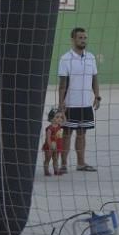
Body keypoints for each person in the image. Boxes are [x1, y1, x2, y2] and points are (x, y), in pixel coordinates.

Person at [58, 27, 100, 172]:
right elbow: (62, 85)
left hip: (86, 104)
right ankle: (63, 164)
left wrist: (97, 96)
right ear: (73, 39)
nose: (83, 40)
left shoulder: (91, 57)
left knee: (82, 134)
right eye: (80, 38)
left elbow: (94, 78)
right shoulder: (65, 59)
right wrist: (61, 104)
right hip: (70, 105)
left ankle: (81, 163)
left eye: (85, 38)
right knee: (67, 134)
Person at [43, 108, 66, 176]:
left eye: (60, 117)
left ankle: (56, 170)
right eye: (57, 117)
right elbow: (48, 139)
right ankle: (46, 171)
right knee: (48, 159)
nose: (60, 119)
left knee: (56, 159)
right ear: (51, 118)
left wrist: (63, 113)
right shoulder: (49, 128)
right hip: (50, 147)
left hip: (57, 146)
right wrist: (50, 146)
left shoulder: (59, 126)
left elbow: (65, 121)